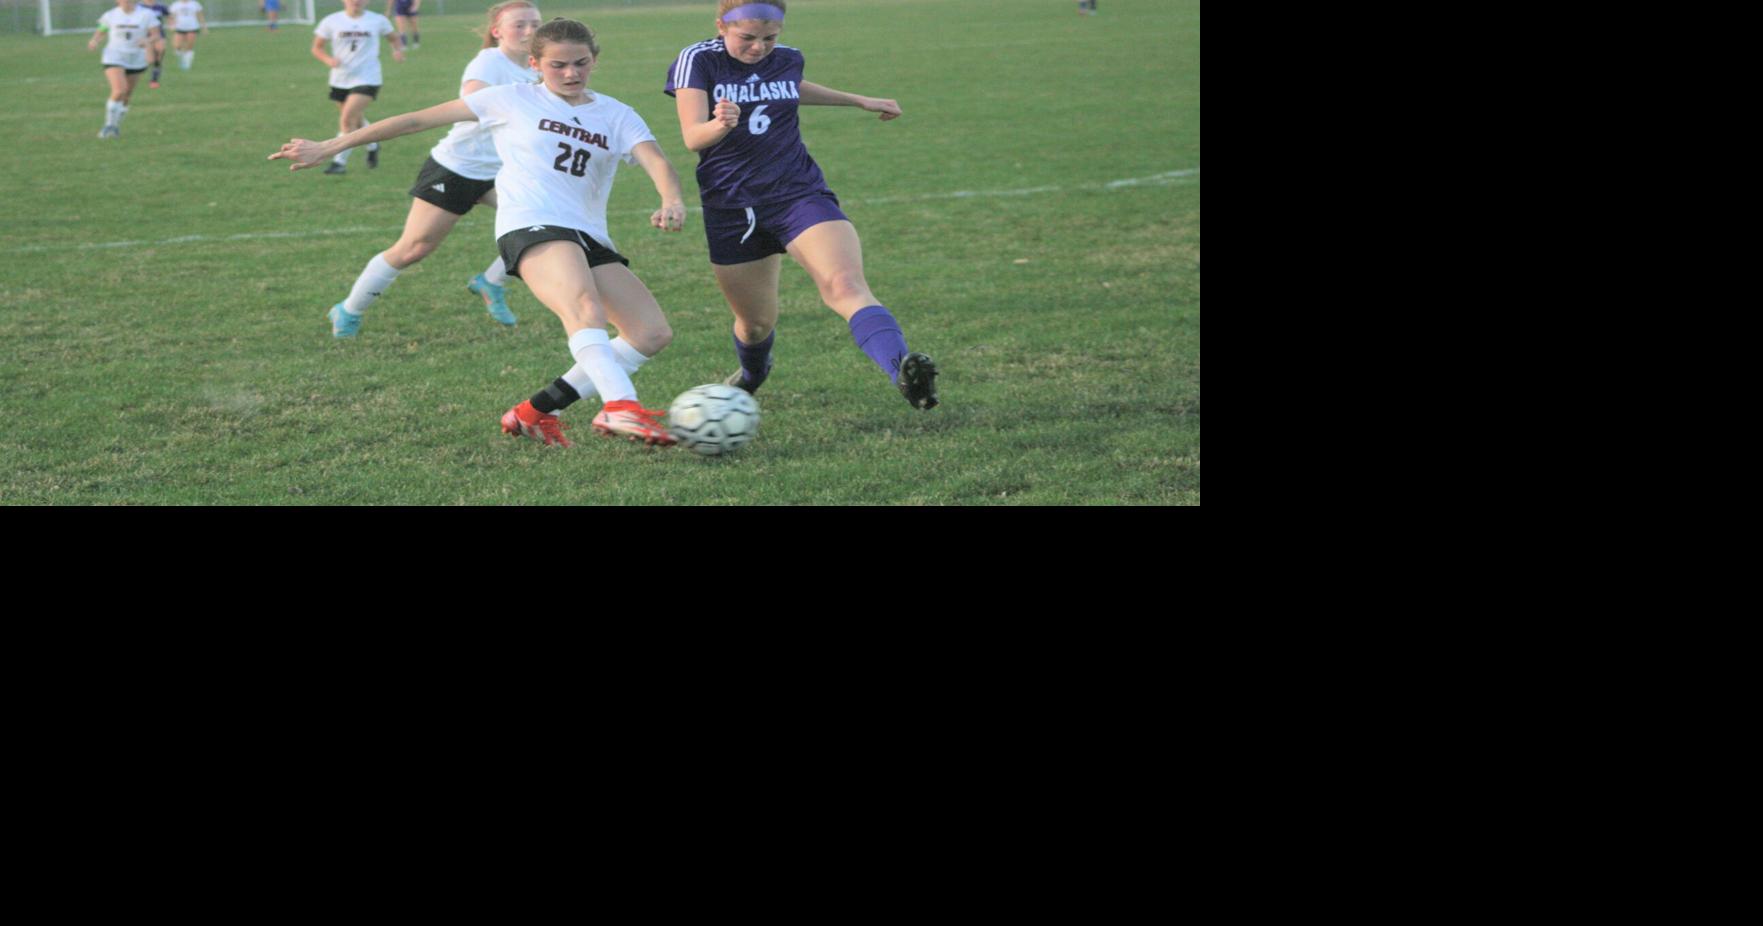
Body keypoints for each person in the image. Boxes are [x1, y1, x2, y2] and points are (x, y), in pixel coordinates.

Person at [272, 17, 691, 447]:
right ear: (534, 63)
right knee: (584, 309)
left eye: (581, 63)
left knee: (649, 334)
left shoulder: (616, 113)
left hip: (588, 233)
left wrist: (671, 199)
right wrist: (330, 145)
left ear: (594, 60)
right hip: (532, 224)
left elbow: (657, 161)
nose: (570, 73)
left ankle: (533, 413)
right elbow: (415, 120)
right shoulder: (510, 99)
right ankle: (620, 405)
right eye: (558, 65)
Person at [666, 0, 938, 410]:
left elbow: (788, 87)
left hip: (798, 192)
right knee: (755, 325)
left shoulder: (789, 59)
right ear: (721, 25)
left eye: (770, 38)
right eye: (748, 38)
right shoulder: (698, 60)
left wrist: (859, 100)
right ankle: (753, 374)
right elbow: (692, 137)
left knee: (845, 285)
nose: (759, 48)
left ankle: (903, 369)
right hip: (733, 206)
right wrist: (720, 123)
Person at [325, 1, 541, 335]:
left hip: (502, 171)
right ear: (497, 31)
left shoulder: (535, 67)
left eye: (535, 24)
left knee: (544, 220)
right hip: (457, 168)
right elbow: (473, 98)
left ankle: (491, 282)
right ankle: (349, 310)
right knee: (414, 249)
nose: (529, 31)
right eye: (520, 24)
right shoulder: (489, 62)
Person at [312, 0, 404, 176]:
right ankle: (373, 144)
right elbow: (317, 47)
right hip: (340, 79)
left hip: (368, 78)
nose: (356, 1)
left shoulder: (377, 20)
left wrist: (397, 50)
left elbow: (394, 38)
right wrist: (328, 60)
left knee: (347, 120)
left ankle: (339, 162)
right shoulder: (331, 20)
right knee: (357, 119)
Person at [88, 0, 163, 139]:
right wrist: (95, 40)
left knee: (127, 95)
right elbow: (103, 29)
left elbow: (156, 34)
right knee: (119, 90)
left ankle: (115, 126)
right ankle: (108, 125)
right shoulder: (111, 15)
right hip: (114, 56)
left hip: (136, 58)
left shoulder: (147, 14)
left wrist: (147, 41)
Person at [167, 1, 206, 71]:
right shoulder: (175, 4)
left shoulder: (194, 3)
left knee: (189, 46)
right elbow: (171, 16)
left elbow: (200, 15)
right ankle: (182, 57)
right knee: (177, 46)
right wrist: (171, 25)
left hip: (192, 27)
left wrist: (204, 27)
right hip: (179, 27)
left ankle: (187, 63)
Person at [140, 1, 169, 87]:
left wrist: (172, 22)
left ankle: (154, 79)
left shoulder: (160, 6)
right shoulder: (139, 7)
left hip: (159, 34)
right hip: (145, 35)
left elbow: (169, 15)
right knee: (150, 60)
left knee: (161, 50)